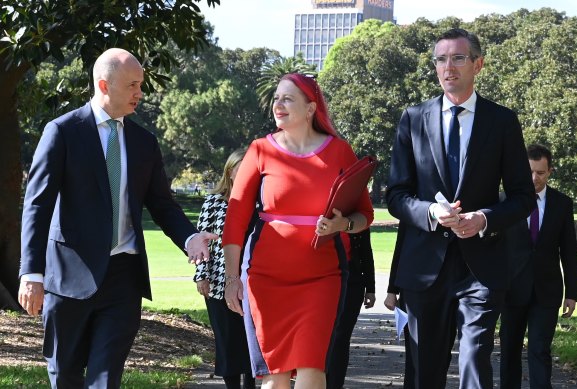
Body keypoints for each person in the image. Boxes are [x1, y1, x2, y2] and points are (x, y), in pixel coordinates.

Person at [18, 48, 217, 388]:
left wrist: (190, 237)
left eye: (141, 85)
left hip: (123, 277)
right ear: (104, 85)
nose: (140, 93)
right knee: (64, 374)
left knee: (105, 378)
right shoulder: (62, 132)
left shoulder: (144, 143)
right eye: (133, 85)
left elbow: (163, 204)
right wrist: (31, 272)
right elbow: (37, 205)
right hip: (68, 276)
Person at [386, 28, 535, 389]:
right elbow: (396, 195)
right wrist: (430, 213)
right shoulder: (413, 118)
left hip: (481, 267)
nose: (448, 67)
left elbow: (523, 197)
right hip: (424, 266)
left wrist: (484, 218)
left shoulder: (502, 122)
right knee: (424, 370)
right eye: (441, 59)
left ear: (477, 65)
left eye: (457, 58)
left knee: (474, 359)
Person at [222, 73, 374, 389]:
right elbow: (236, 219)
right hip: (265, 280)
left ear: (310, 109)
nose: (279, 104)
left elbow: (365, 215)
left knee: (311, 370)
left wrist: (341, 225)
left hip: (323, 278)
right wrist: (232, 279)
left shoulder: (340, 151)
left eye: (288, 98)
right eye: (277, 98)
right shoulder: (260, 150)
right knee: (273, 378)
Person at [499, 144, 577, 389]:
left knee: (539, 350)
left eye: (541, 173)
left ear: (550, 171)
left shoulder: (562, 204)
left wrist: (572, 294)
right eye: (530, 172)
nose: (535, 178)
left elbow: (568, 251)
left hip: (547, 291)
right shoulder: (504, 200)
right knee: (509, 352)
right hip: (511, 290)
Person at [194, 149, 255, 389]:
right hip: (218, 282)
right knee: (227, 341)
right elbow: (201, 241)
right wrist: (201, 276)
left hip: (251, 282)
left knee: (251, 340)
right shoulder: (213, 202)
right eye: (242, 169)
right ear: (230, 172)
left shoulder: (259, 202)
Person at [326, 228, 376, 389]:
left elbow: (366, 252)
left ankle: (335, 384)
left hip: (352, 283)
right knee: (321, 338)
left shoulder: (356, 217)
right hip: (322, 281)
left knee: (341, 337)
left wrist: (371, 288)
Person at [384, 222, 415, 389]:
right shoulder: (411, 206)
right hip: (412, 286)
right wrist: (392, 290)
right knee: (414, 350)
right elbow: (400, 247)